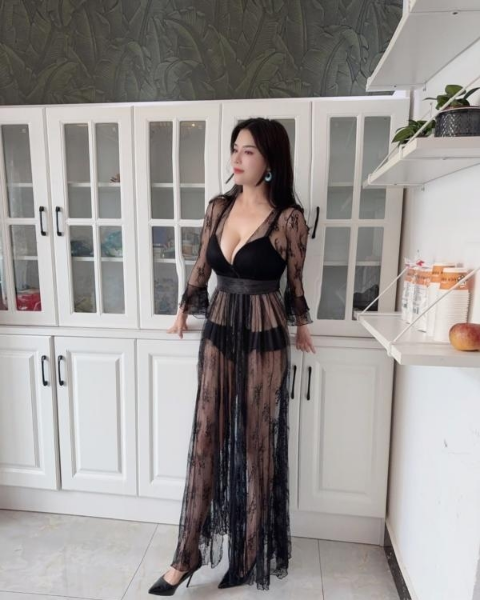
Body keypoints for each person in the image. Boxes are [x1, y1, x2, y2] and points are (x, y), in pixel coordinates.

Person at [148, 117, 316, 596]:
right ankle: (186, 555)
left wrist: (302, 323)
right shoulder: (218, 208)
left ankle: (247, 552)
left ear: (270, 160)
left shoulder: (288, 219)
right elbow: (202, 264)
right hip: (220, 329)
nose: (236, 159)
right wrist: (184, 308)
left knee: (256, 445)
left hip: (264, 334)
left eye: (248, 151)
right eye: (234, 149)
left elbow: (295, 280)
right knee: (206, 439)